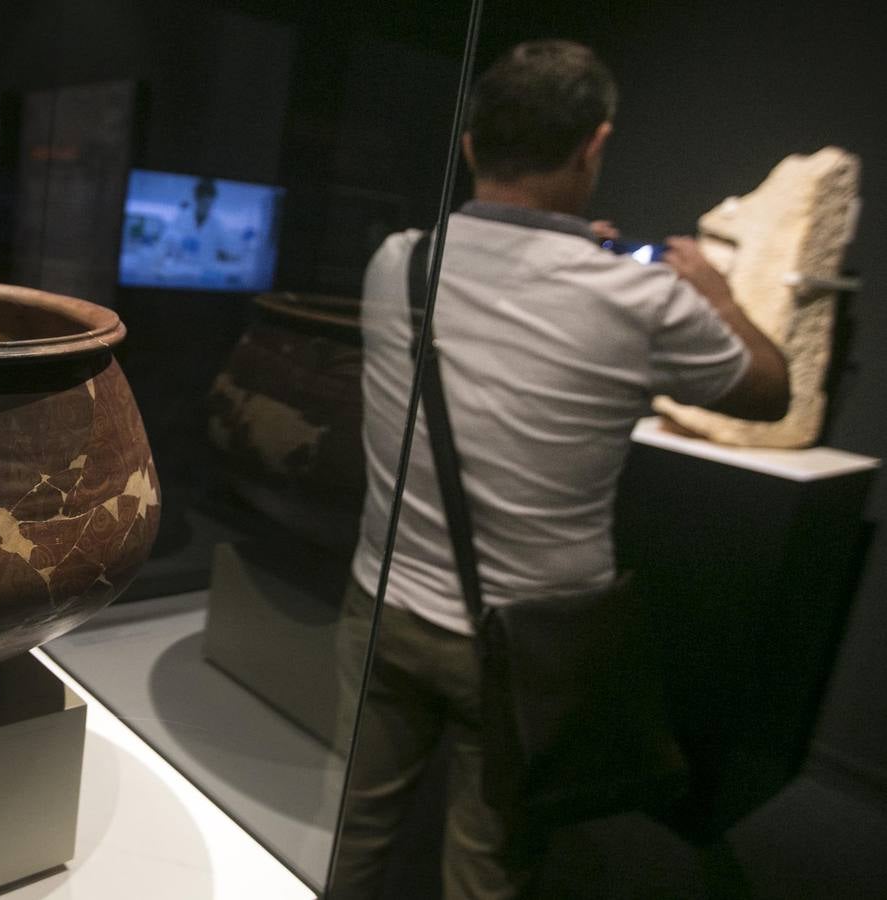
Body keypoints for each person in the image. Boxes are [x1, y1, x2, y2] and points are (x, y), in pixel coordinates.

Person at [329, 40, 788, 900]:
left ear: (471, 146)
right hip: (529, 642)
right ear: (594, 144)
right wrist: (720, 295)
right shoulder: (640, 298)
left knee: (348, 834)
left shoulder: (399, 261)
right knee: (489, 862)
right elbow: (769, 392)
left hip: (384, 606)